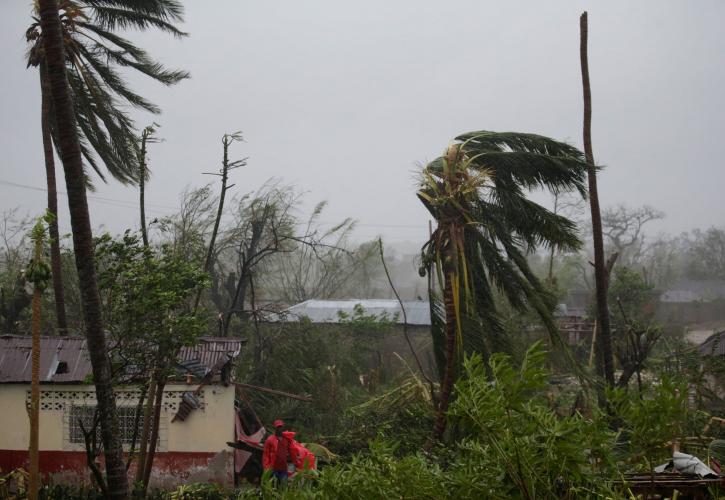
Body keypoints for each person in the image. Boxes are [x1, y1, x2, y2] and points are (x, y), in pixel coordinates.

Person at [262, 419, 292, 487]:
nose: (279, 429)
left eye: (281, 427)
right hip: (273, 468)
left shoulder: (286, 439)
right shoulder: (270, 440)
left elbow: (291, 451)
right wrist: (266, 467)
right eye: (278, 427)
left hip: (283, 468)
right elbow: (266, 454)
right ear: (275, 428)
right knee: (273, 487)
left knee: (283, 488)